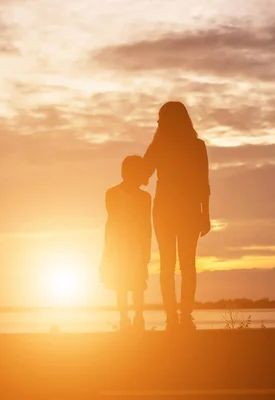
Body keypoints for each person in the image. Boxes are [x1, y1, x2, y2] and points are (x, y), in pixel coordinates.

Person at [143, 101, 211, 332]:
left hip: (175, 209)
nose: (158, 122)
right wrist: (205, 214)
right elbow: (144, 174)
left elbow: (203, 182)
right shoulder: (193, 145)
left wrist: (206, 214)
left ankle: (179, 316)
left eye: (161, 118)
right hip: (179, 209)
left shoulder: (169, 146)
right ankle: (178, 316)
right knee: (177, 265)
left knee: (177, 265)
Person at [100, 155, 152, 332]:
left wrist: (146, 249)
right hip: (118, 244)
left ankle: (139, 316)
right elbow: (114, 219)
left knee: (137, 283)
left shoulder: (145, 197)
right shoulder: (112, 193)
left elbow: (147, 224)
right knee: (120, 282)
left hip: (136, 244)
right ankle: (124, 318)